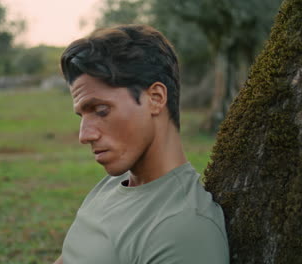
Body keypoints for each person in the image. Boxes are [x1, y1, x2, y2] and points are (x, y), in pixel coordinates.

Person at [53, 24, 229, 264]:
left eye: (101, 111)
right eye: (82, 116)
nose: (85, 135)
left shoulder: (184, 228)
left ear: (155, 99)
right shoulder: (109, 186)